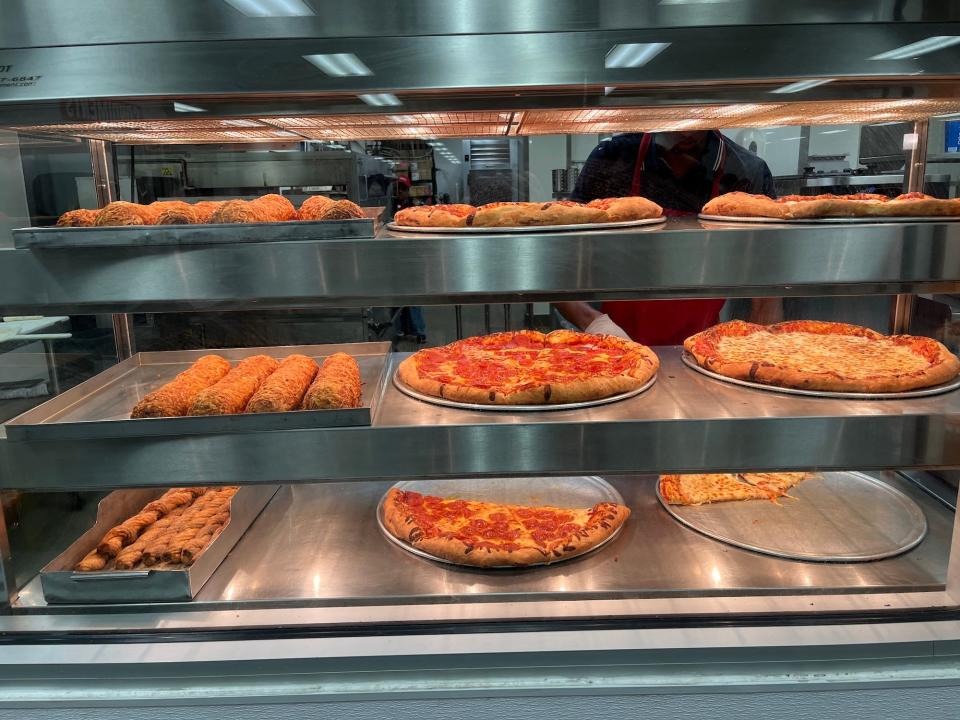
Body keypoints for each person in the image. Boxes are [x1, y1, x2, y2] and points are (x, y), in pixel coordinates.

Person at [555, 130, 781, 344]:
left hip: (705, 350)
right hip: (616, 344)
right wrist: (595, 322)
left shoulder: (746, 172)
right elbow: (557, 264)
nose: (685, 132)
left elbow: (769, 289)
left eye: (697, 120)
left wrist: (756, 352)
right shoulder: (613, 159)